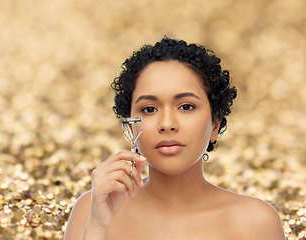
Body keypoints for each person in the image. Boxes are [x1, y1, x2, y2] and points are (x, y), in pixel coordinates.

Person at [64, 37, 285, 240]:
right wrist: (97, 228)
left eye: (186, 106)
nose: (167, 124)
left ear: (215, 123)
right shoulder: (92, 210)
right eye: (149, 109)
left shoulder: (257, 223)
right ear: (130, 124)